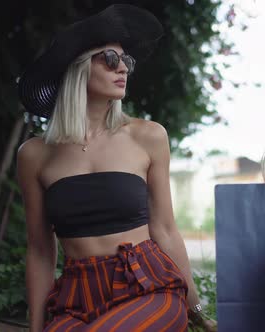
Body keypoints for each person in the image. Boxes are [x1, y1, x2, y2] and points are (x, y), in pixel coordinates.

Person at [15, 4, 216, 331]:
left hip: (148, 288)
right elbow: (39, 249)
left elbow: (164, 229)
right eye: (110, 59)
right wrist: (37, 327)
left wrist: (196, 310)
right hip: (77, 299)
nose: (122, 68)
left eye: (127, 61)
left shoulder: (147, 137)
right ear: (77, 68)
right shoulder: (35, 155)